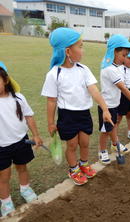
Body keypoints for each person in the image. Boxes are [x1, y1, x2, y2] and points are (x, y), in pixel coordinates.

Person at [41, 27, 113, 186]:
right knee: (72, 145)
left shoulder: (83, 69)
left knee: (85, 142)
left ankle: (84, 164)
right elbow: (51, 101)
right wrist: (51, 123)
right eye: (80, 46)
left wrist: (105, 110)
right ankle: (73, 169)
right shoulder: (54, 74)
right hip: (67, 116)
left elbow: (94, 90)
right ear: (68, 51)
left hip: (84, 114)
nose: (83, 50)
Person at [0, 61, 43, 216]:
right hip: (1, 147)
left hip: (21, 141)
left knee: (22, 167)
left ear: (5, 80)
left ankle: (25, 189)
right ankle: (5, 202)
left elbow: (29, 117)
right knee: (3, 176)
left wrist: (36, 135)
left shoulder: (18, 98)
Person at [99, 34, 130, 165]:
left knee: (112, 127)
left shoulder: (117, 67)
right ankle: (102, 151)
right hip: (106, 106)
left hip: (114, 104)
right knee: (105, 130)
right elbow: (123, 88)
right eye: (124, 55)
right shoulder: (109, 69)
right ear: (114, 52)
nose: (125, 59)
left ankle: (115, 144)